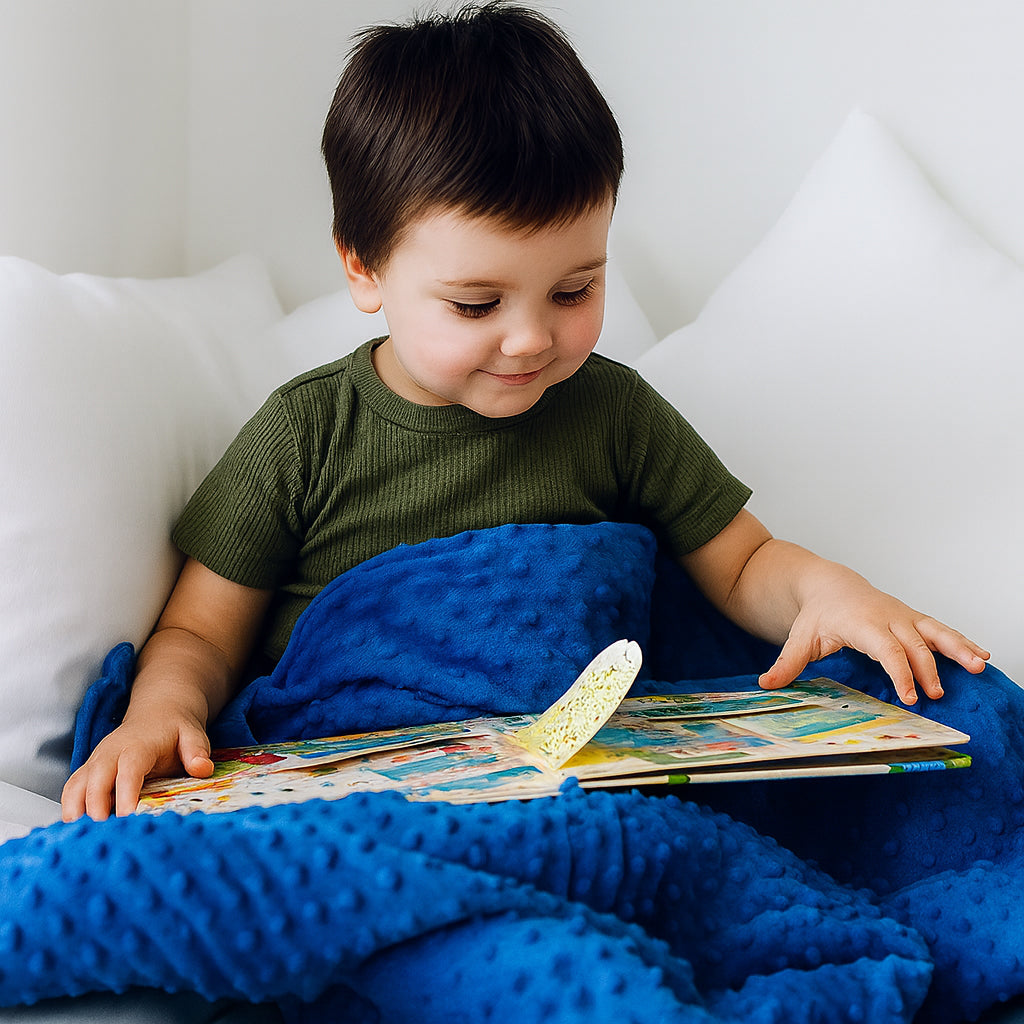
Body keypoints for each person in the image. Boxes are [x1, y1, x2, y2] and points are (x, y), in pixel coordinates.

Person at [61, 2, 988, 822]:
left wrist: (828, 589)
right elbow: (197, 633)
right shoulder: (304, 435)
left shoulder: (613, 411)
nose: (529, 341)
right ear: (363, 269)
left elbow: (742, 563)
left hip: (579, 767)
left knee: (954, 710)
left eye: (576, 289)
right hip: (380, 785)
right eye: (476, 305)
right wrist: (161, 710)